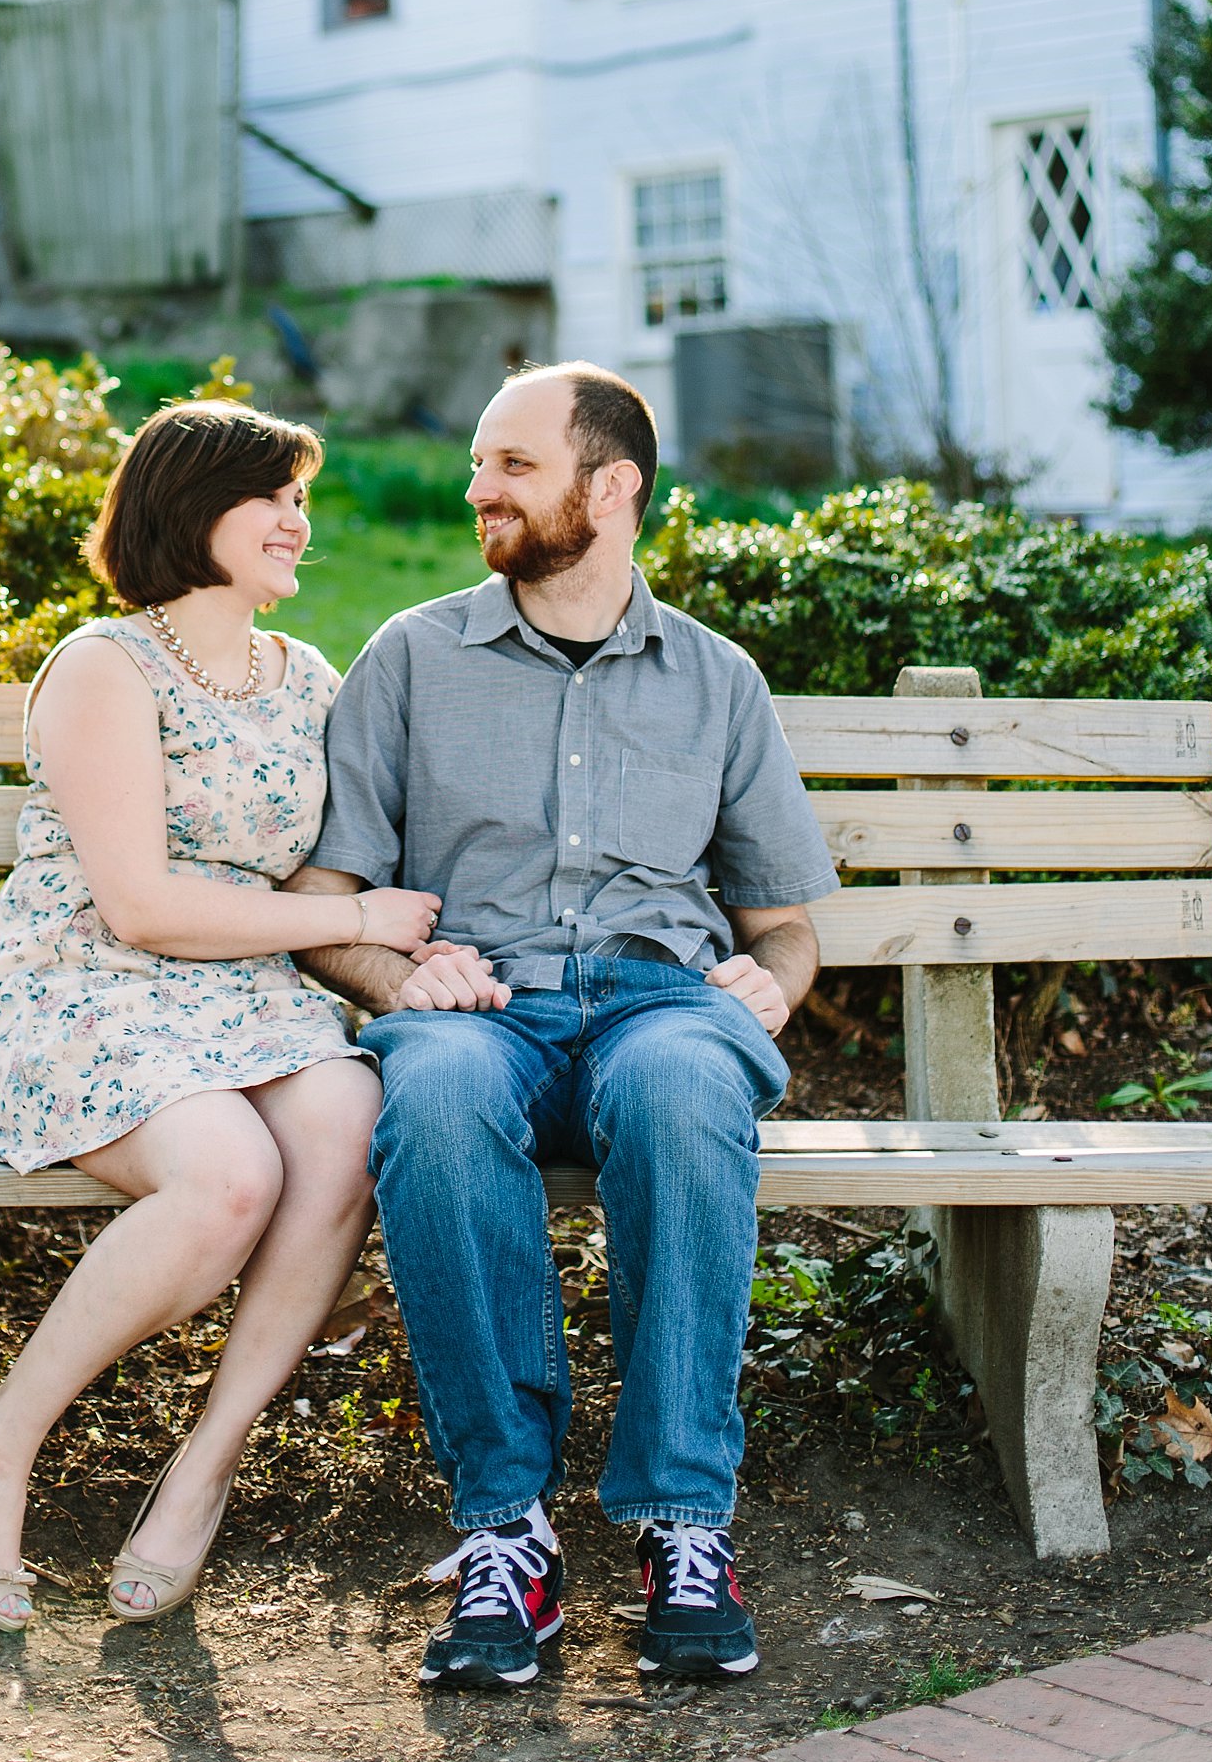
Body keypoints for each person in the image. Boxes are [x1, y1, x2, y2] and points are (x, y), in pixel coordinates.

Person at [287, 363, 837, 1693]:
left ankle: (681, 1520)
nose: (478, 487)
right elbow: (318, 903)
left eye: (512, 464)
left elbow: (788, 924)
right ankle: (507, 1531)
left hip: (662, 1002)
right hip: (482, 1003)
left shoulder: (717, 679)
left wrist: (777, 980)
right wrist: (386, 973)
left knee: (684, 1093)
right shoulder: (413, 657)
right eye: (481, 462)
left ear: (613, 487)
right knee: (431, 1097)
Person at [0, 399, 442, 1631]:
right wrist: (360, 926)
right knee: (226, 1177)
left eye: (301, 498)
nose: (297, 521)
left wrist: (410, 938)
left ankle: (205, 1464)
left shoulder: (305, 676)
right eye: (271, 495)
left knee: (345, 1117)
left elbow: (327, 865)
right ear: (188, 505)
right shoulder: (104, 666)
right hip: (82, 986)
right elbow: (144, 905)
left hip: (242, 1001)